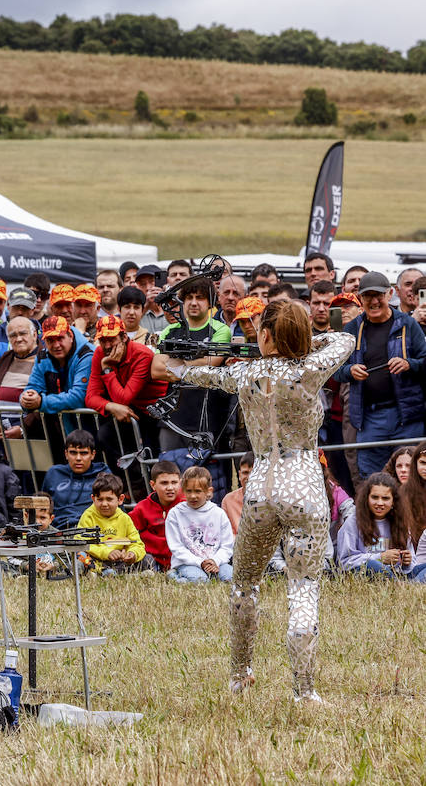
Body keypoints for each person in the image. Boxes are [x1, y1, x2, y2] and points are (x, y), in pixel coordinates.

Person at [154, 298, 353, 701]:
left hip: (260, 483)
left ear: (264, 335)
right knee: (303, 587)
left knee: (245, 585)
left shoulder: (246, 373)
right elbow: (346, 339)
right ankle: (304, 690)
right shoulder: (311, 368)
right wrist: (307, 342)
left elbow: (203, 376)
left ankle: (240, 675)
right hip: (303, 482)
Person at [334, 271, 426, 480]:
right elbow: (336, 370)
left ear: (390, 294)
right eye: (368, 296)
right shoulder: (352, 329)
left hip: (407, 418)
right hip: (368, 419)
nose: (374, 301)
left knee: (413, 479)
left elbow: (425, 360)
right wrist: (349, 371)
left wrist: (408, 364)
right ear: (361, 299)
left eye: (379, 295)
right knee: (372, 480)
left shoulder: (408, 324)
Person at [153, 279, 232, 453]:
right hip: (172, 418)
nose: (194, 302)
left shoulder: (220, 330)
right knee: (169, 474)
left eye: (200, 297)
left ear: (210, 302)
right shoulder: (170, 330)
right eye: (189, 297)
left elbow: (211, 363)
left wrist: (176, 365)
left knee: (201, 477)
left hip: (206, 418)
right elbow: (156, 369)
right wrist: (194, 366)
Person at [85, 315, 166, 474]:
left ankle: (148, 487)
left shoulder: (142, 355)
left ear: (124, 337)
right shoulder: (100, 354)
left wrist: (107, 369)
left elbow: (124, 398)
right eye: (103, 340)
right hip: (131, 410)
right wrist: (111, 406)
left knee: (152, 457)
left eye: (111, 339)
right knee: (104, 436)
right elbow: (90, 396)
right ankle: (130, 485)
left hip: (156, 410)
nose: (107, 345)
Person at [20, 317, 94, 453]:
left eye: (60, 338)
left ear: (70, 336)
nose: (56, 345)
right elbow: (33, 386)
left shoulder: (87, 355)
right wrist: (26, 398)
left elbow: (78, 397)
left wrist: (41, 402)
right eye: (50, 340)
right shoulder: (43, 356)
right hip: (58, 429)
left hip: (91, 427)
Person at [165, 466, 235, 583]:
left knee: (231, 578)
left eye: (198, 491)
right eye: (189, 491)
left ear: (209, 491)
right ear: (183, 490)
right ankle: (174, 577)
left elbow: (227, 546)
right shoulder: (175, 514)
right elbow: (176, 547)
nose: (193, 496)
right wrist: (200, 562)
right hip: (187, 563)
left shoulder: (219, 513)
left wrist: (214, 561)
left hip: (216, 562)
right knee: (201, 581)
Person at [336, 474, 414, 578]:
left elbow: (412, 562)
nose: (380, 503)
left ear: (393, 501)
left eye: (385, 498)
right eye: (375, 497)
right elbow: (344, 561)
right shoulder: (353, 522)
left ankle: (403, 584)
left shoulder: (400, 521)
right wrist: (380, 558)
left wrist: (407, 561)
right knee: (374, 565)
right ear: (366, 498)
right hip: (366, 574)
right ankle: (396, 584)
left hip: (397, 574)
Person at [76, 473, 149, 575]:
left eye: (109, 499)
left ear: (120, 499)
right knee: (80, 555)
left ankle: (116, 573)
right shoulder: (88, 516)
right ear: (93, 499)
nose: (104, 504)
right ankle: (98, 572)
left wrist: (132, 553)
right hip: (97, 560)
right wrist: (107, 553)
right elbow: (83, 543)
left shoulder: (125, 518)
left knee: (147, 559)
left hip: (119, 561)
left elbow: (136, 542)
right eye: (100, 499)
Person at [0, 316, 38, 441]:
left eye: (23, 333)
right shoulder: (7, 358)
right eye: (13, 335)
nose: (18, 339)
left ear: (34, 335)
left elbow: (46, 399)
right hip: (1, 435)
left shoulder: (43, 359)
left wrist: (24, 428)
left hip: (33, 435)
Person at [40, 429, 108, 528]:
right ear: (66, 454)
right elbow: (42, 509)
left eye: (84, 453)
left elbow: (116, 509)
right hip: (57, 530)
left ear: (93, 455)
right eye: (73, 453)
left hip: (92, 529)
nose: (78, 458)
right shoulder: (54, 473)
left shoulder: (102, 474)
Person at [128, 459, 182, 571]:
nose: (170, 488)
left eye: (174, 482)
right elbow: (126, 530)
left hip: (181, 558)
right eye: (164, 483)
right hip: (153, 560)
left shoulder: (186, 504)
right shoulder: (142, 508)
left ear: (180, 483)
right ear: (153, 485)